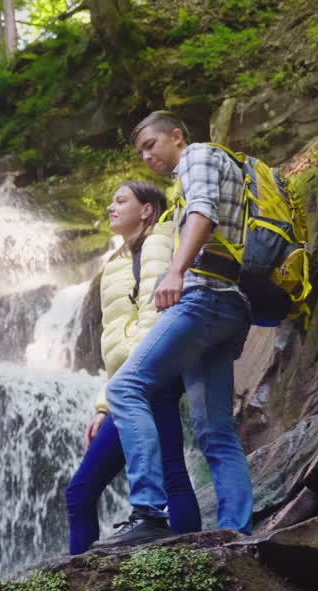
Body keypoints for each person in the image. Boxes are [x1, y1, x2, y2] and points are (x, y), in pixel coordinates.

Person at [97, 110, 254, 546]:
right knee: (214, 430)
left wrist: (175, 272)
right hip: (230, 307)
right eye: (141, 151)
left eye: (151, 144)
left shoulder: (199, 157)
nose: (147, 156)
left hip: (204, 300)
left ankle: (148, 509)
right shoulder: (203, 170)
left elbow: (203, 211)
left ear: (177, 137)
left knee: (125, 388)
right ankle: (236, 534)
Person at [64, 181, 200, 555]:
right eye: (110, 200)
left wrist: (125, 385)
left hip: (151, 376)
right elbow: (114, 343)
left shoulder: (159, 242)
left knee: (170, 474)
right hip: (129, 385)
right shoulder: (116, 264)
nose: (110, 207)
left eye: (121, 200)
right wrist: (104, 403)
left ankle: (197, 564)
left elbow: (156, 318)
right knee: (80, 492)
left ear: (147, 209)